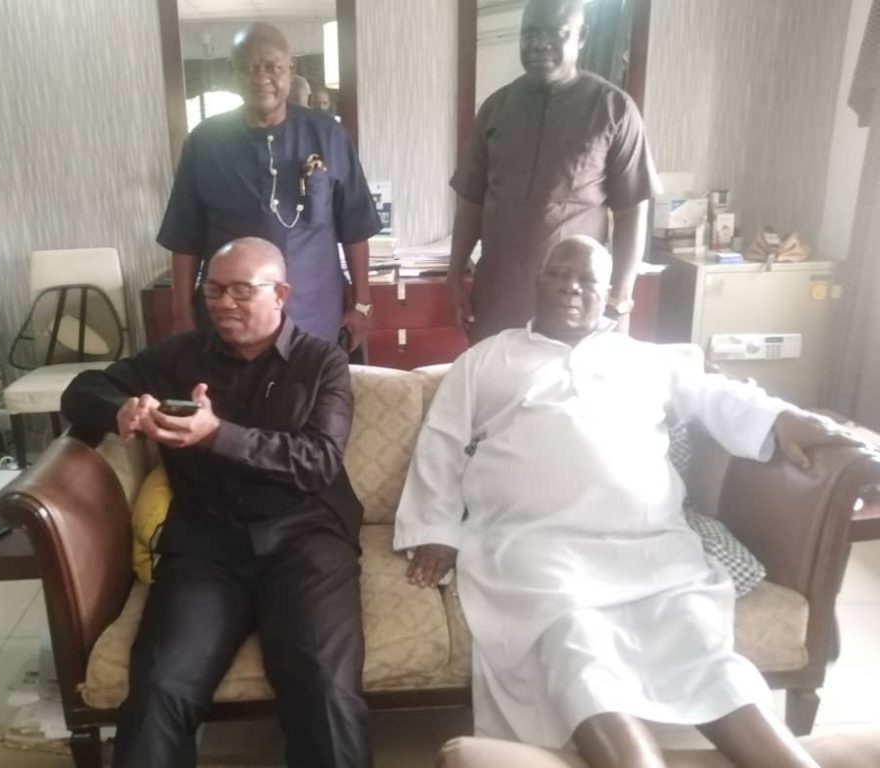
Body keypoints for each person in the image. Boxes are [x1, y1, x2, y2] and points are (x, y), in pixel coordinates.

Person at [395, 236, 856, 768]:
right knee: (578, 646)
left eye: (587, 280)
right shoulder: (485, 359)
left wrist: (782, 418)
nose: (570, 288)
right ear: (537, 281)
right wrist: (438, 530)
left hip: (649, 547)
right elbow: (442, 442)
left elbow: (717, 395)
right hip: (536, 548)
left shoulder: (646, 359)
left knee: (705, 655)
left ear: (611, 293)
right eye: (558, 274)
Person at [63, 238, 371, 768]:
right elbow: (82, 389)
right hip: (206, 544)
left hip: (305, 539)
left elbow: (318, 461)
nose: (224, 302)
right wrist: (120, 410)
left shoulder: (322, 361)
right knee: (160, 686)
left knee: (324, 687)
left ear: (280, 294)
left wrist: (216, 435)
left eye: (241, 290)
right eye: (214, 290)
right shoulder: (179, 356)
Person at [447, 0, 659, 344]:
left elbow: (632, 210)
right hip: (498, 295)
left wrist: (620, 296)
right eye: (529, 34)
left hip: (574, 299)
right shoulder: (496, 108)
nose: (538, 44)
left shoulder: (614, 109)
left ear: (581, 36)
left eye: (553, 33)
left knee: (569, 377)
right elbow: (470, 202)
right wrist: (454, 277)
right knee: (496, 374)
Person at [158, 22, 380, 351]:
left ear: (291, 68)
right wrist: (181, 313)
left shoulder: (329, 136)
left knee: (314, 384)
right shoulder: (204, 142)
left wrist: (361, 304)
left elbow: (356, 227)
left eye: (272, 67)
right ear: (233, 73)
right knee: (226, 385)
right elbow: (184, 237)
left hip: (314, 313)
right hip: (228, 318)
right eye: (248, 68)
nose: (261, 78)